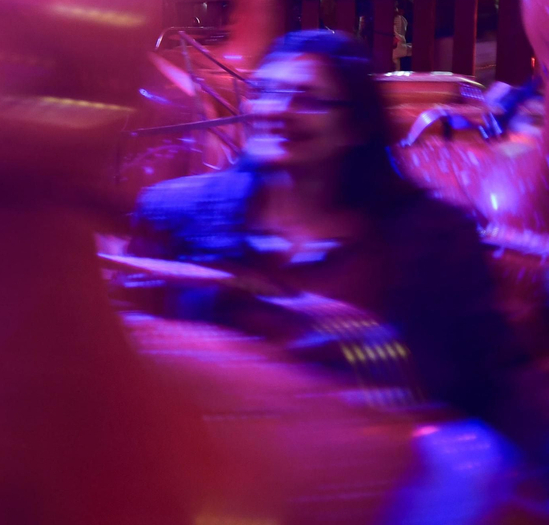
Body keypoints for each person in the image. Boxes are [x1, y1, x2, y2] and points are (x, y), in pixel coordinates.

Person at [132, 30, 546, 449]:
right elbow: (133, 351)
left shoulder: (433, 240)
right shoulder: (176, 215)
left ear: (355, 126)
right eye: (265, 91)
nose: (277, 110)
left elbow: (493, 384)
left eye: (307, 99)